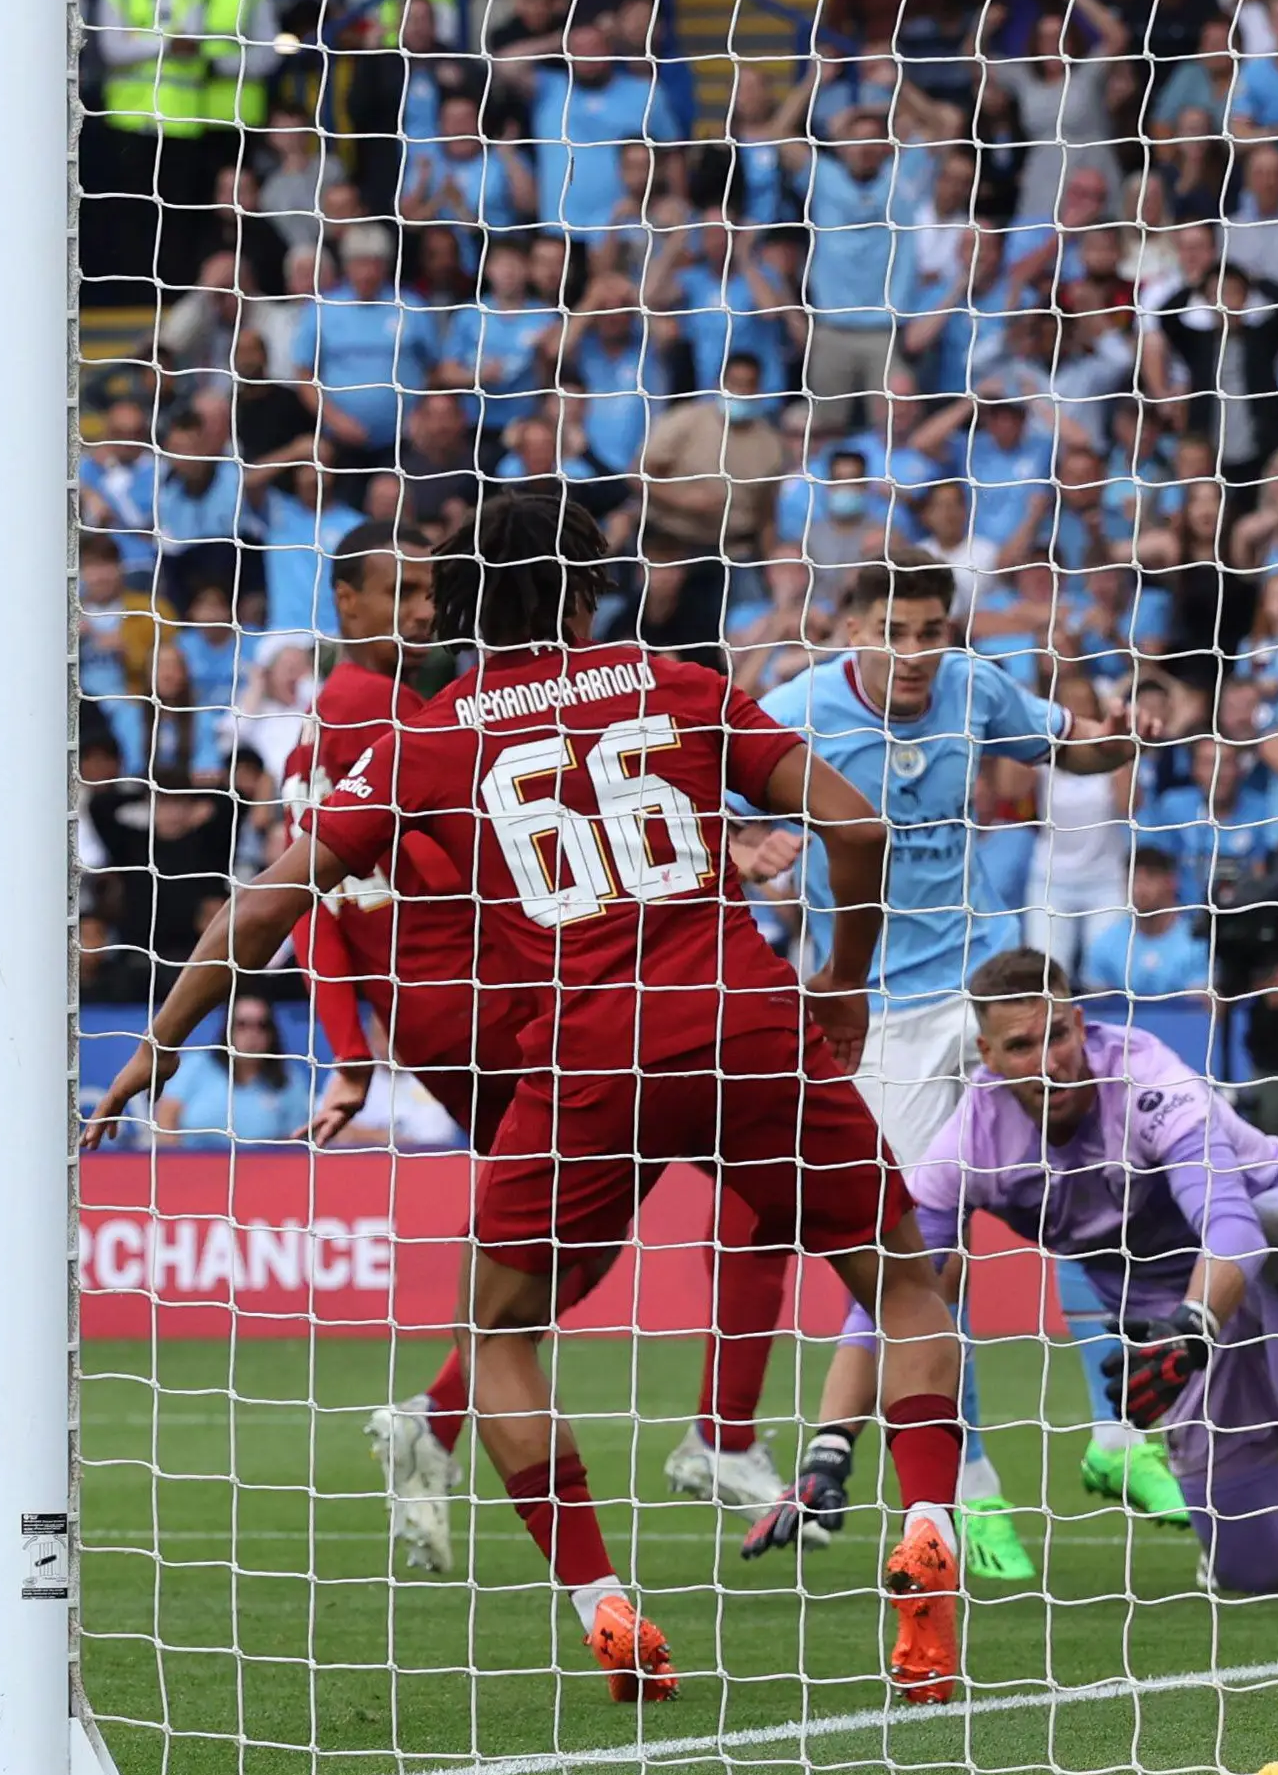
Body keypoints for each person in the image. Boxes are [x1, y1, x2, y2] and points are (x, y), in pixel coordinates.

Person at [87, 486, 982, 1707]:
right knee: (904, 1281)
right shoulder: (678, 684)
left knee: (501, 1334)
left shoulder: (434, 734)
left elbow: (262, 907)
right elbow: (859, 828)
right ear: (584, 590)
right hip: (744, 1022)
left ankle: (602, 1601)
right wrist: (845, 981)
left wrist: (157, 1045)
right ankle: (926, 1520)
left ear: (458, 604)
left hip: (581, 1064)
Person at [741, 553, 1133, 1585]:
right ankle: (969, 1480)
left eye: (929, 632)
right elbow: (693, 788)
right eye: (894, 631)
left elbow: (1070, 750)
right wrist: (740, 843)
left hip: (990, 979)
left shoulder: (978, 687)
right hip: (884, 1019)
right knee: (922, 1257)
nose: (914, 653)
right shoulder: (792, 709)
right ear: (850, 630)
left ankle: (1119, 1433)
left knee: (1091, 1178)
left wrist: (1117, 741)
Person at [920, 950, 1278, 1594]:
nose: (1049, 1062)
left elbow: (1234, 1231)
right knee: (1252, 1576)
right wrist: (831, 1441)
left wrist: (1192, 1326)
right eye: (1021, 1046)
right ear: (987, 1055)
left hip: (1257, 1248)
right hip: (1180, 1331)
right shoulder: (970, 1142)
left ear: (1080, 1023)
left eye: (1057, 1035)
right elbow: (895, 1293)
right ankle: (1246, 1464)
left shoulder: (1147, 1079)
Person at [314, 532, 541, 1575]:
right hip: (490, 1005)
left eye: (433, 589)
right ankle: (722, 1430)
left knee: (541, 1243)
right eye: (399, 590)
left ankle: (435, 1423)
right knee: (571, 1225)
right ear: (346, 599)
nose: (421, 606)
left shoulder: (327, 729)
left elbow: (313, 901)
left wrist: (352, 1052)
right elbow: (471, 844)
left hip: (443, 1019)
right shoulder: (388, 714)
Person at [153, 990, 316, 1140]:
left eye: (261, 1025)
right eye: (242, 1024)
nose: (252, 1034)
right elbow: (166, 1121)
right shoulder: (196, 1066)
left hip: (264, 1169)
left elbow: (295, 1140)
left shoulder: (288, 1078)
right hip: (191, 1167)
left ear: (272, 1033)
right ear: (228, 1029)